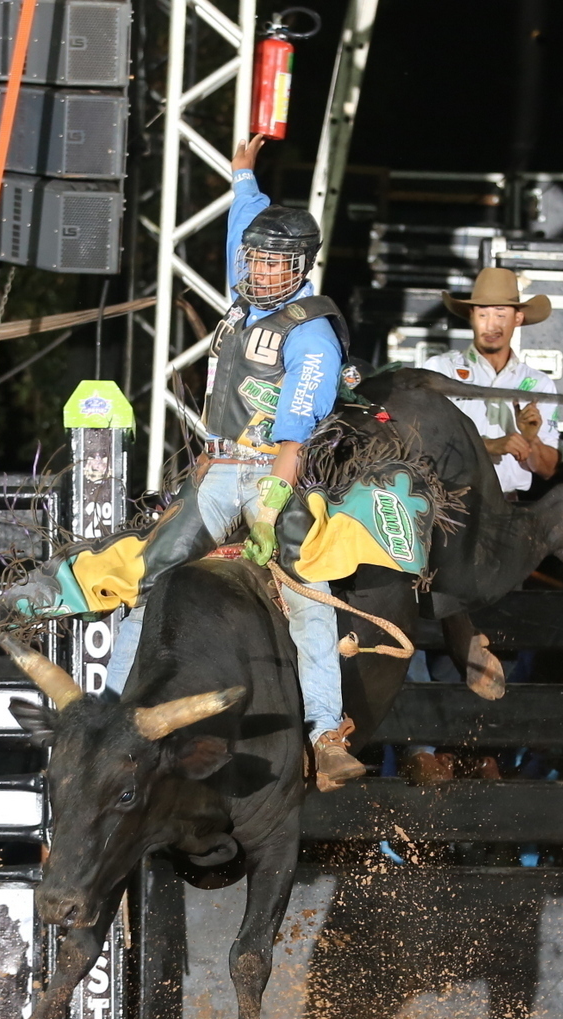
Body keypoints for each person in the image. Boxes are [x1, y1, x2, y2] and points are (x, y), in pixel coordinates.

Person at [104, 133, 363, 790]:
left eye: (275, 263)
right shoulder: (246, 299)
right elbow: (240, 226)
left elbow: (295, 433)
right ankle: (111, 713)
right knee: (144, 578)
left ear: (300, 266)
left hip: (273, 470)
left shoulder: (311, 335)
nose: (260, 269)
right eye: (256, 259)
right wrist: (243, 175)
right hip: (218, 468)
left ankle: (325, 731)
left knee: (308, 596)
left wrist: (270, 509)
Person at [422, 268, 560, 500]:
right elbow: (422, 441)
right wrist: (488, 446)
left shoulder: (539, 385)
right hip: (448, 503)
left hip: (508, 506)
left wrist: (530, 439)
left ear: (517, 319)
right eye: (483, 315)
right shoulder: (441, 370)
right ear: (471, 317)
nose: (491, 325)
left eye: (500, 315)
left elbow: (547, 469)